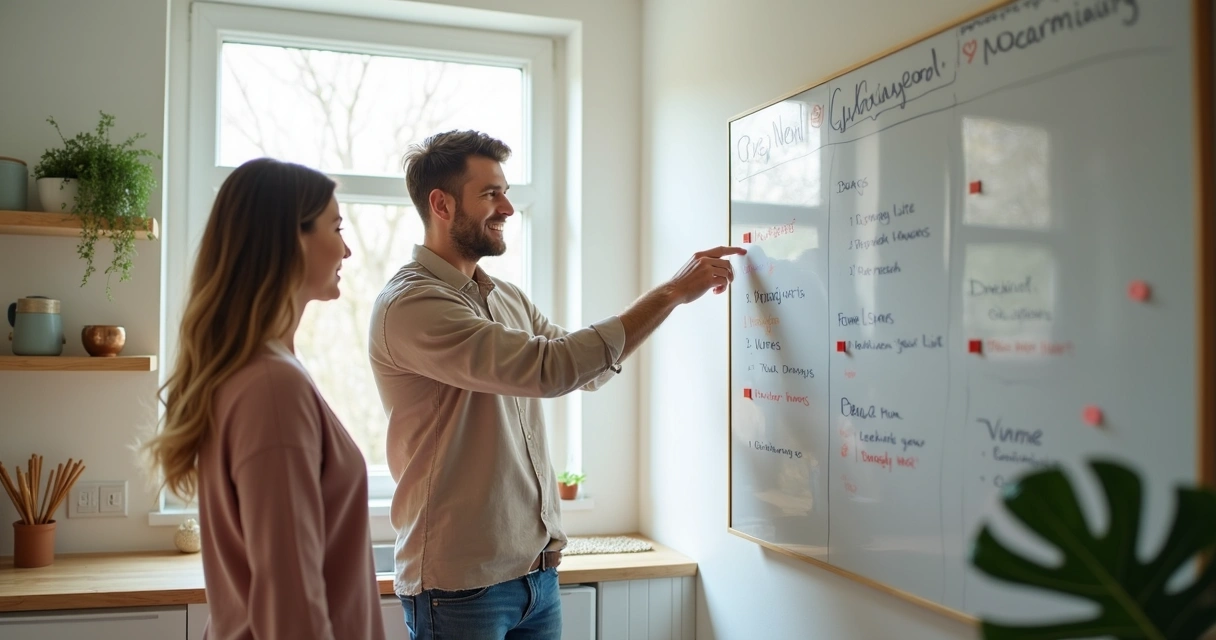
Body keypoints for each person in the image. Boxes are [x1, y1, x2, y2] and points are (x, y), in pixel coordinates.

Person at [369, 129, 744, 639]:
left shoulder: (506, 297)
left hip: (536, 579)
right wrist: (672, 292)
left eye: (505, 191)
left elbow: (581, 370)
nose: (507, 208)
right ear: (441, 204)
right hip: (459, 589)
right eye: (490, 194)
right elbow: (554, 369)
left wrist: (666, 305)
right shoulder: (412, 305)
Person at [142, 158, 386, 640]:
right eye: (335, 227)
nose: (348, 248)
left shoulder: (255, 372)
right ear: (291, 238)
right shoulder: (273, 387)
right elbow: (290, 606)